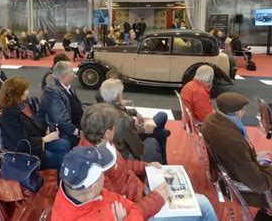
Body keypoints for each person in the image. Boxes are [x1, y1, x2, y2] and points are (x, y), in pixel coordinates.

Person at [80, 104, 217, 221]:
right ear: (108, 133)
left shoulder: (102, 145)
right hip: (142, 207)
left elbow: (122, 165)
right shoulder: (95, 169)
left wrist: (145, 166)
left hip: (142, 193)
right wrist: (156, 197)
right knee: (204, 205)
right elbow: (123, 210)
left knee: (194, 198)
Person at [203, 92, 272, 221]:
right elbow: (259, 184)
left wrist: (253, 156)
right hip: (241, 187)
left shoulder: (212, 121)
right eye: (243, 109)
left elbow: (235, 158)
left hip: (227, 177)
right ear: (238, 112)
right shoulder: (232, 140)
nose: (244, 112)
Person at [0, 77, 71, 180]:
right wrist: (44, 139)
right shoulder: (8, 116)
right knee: (61, 157)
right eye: (25, 90)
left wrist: (46, 130)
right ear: (17, 93)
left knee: (65, 144)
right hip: (25, 152)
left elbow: (35, 125)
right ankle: (63, 180)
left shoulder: (23, 106)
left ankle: (63, 179)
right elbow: (21, 142)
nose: (28, 92)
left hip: (34, 143)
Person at [52, 143, 143, 221]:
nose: (104, 176)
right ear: (93, 187)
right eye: (102, 173)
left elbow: (133, 208)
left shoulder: (74, 189)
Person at [100, 78, 169, 164]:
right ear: (118, 95)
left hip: (123, 141)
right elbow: (138, 150)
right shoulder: (125, 120)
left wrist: (133, 112)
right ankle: (163, 162)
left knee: (162, 120)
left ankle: (165, 162)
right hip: (127, 155)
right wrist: (143, 129)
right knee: (157, 137)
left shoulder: (101, 109)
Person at [37, 61, 83, 147]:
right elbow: (60, 119)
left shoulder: (69, 87)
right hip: (63, 132)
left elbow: (78, 107)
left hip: (76, 125)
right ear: (64, 75)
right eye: (72, 72)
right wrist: (77, 132)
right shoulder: (52, 91)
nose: (74, 74)